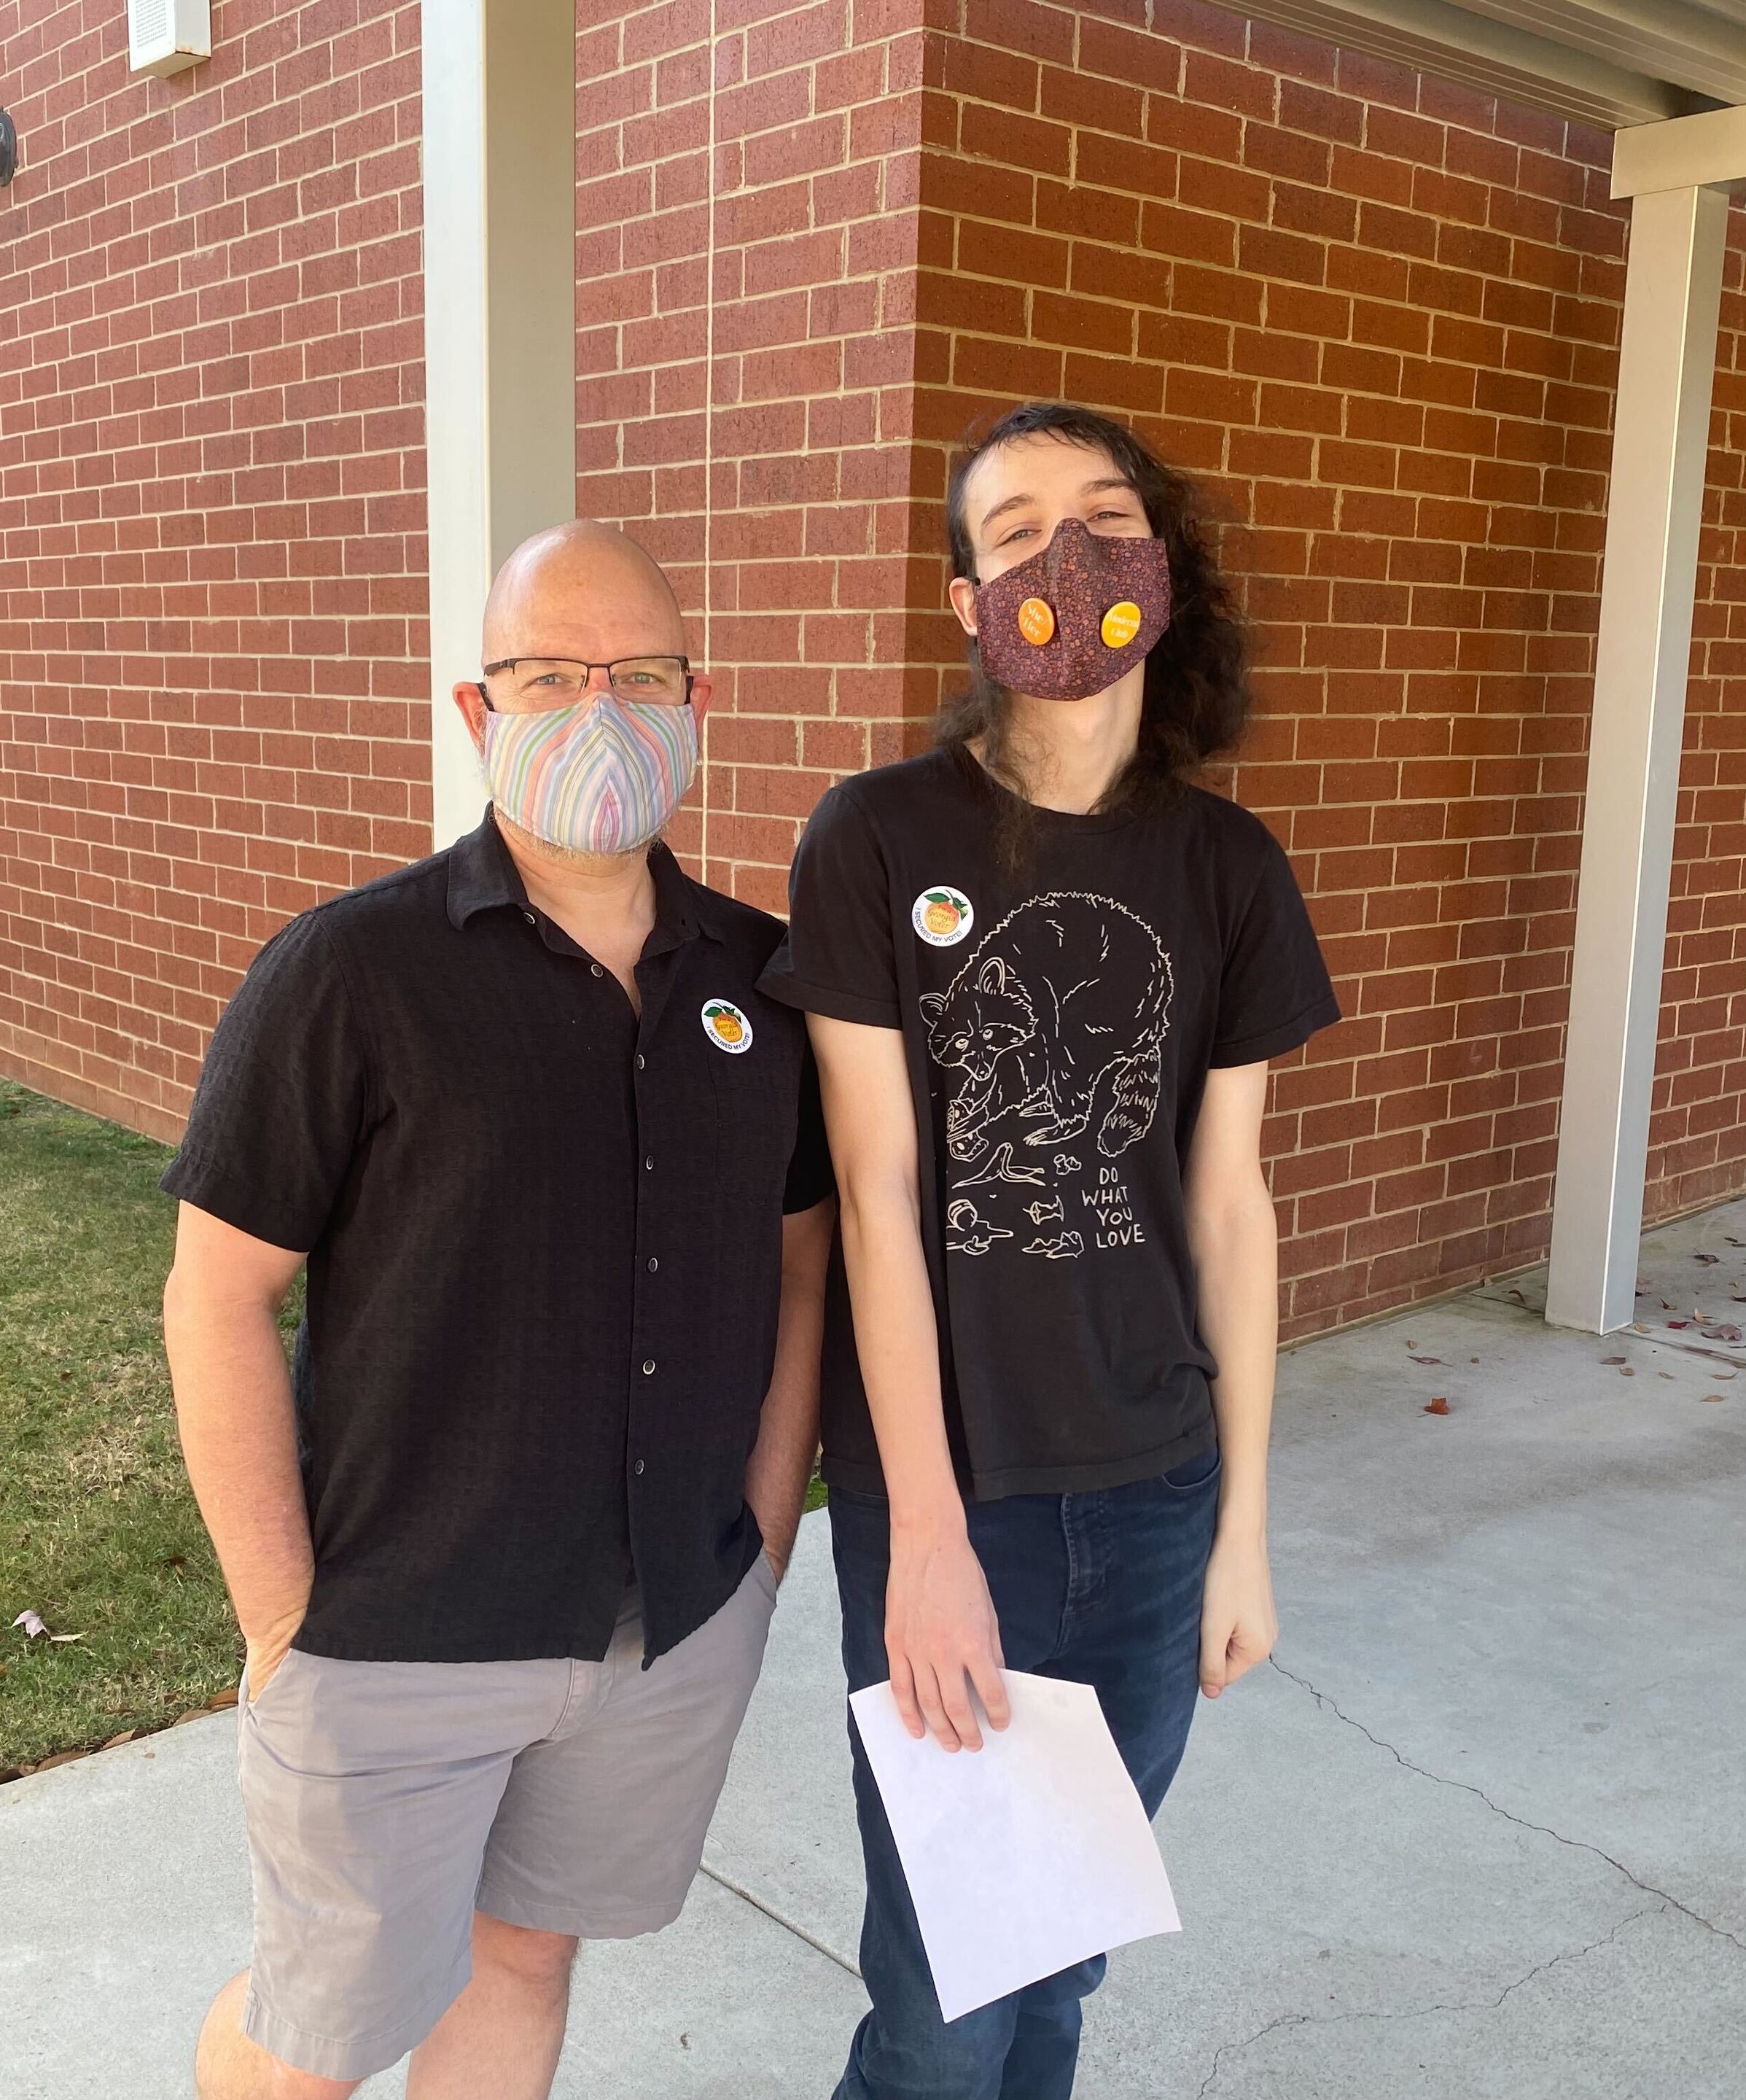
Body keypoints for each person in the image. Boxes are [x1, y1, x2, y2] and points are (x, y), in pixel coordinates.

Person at [161, 520, 836, 2100]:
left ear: (695, 701)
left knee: (528, 1954)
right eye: (549, 675)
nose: (597, 707)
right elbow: (216, 1295)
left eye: (639, 675)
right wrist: (279, 1618)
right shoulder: (352, 972)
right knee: (312, 2036)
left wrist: (757, 1536)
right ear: (480, 711)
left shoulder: (764, 978)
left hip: (662, 1622)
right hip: (398, 1632)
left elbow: (803, 1261)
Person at [761, 402, 1339, 2099]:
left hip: (1156, 1493)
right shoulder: (874, 840)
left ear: (1162, 572)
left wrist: (1243, 1532)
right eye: (1015, 527)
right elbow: (877, 1195)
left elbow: (1229, 1207)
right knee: (944, 2008)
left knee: (1060, 1963)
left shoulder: (1227, 866)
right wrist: (924, 1538)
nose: (1066, 554)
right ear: (966, 600)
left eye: (1105, 516)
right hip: (959, 1495)